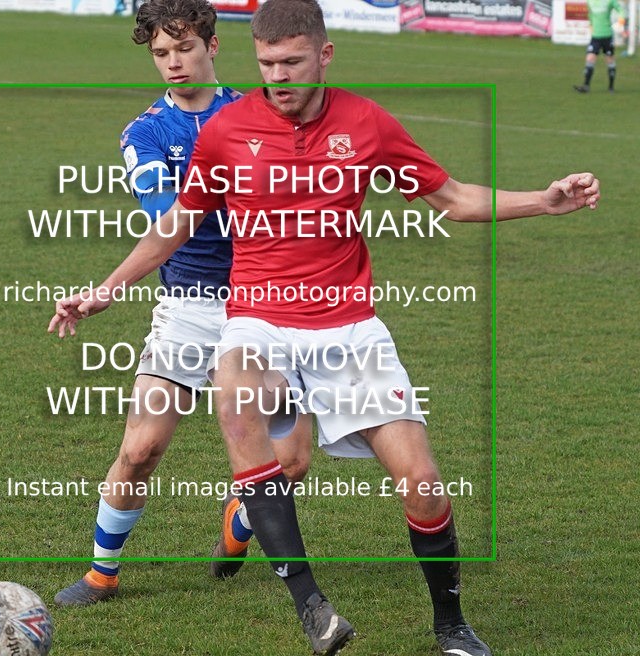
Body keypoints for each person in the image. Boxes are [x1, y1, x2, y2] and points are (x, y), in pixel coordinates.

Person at [49, 0, 601, 653]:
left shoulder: (366, 121)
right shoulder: (227, 129)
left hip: (348, 327)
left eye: (292, 62)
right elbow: (177, 223)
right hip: (248, 314)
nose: (278, 77)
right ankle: (309, 606)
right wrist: (106, 290)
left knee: (420, 484)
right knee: (227, 399)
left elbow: (449, 199)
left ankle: (451, 624)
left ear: (325, 55)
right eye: (267, 64)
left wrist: (544, 199)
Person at [51, 0, 312, 607]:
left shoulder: (266, 114)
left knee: (291, 462)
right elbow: (170, 220)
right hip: (189, 305)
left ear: (213, 46)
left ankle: (238, 521)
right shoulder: (144, 133)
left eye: (184, 49)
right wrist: (106, 291)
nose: (173, 63)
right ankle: (101, 573)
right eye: (161, 54)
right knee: (140, 449)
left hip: (268, 305)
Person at [574, 0, 627, 93]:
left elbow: (621, 10)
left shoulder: (610, 1)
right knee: (590, 58)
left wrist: (621, 21)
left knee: (610, 60)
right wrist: (591, 25)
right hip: (595, 36)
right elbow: (590, 14)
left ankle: (611, 87)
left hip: (607, 35)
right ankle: (586, 86)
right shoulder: (590, 1)